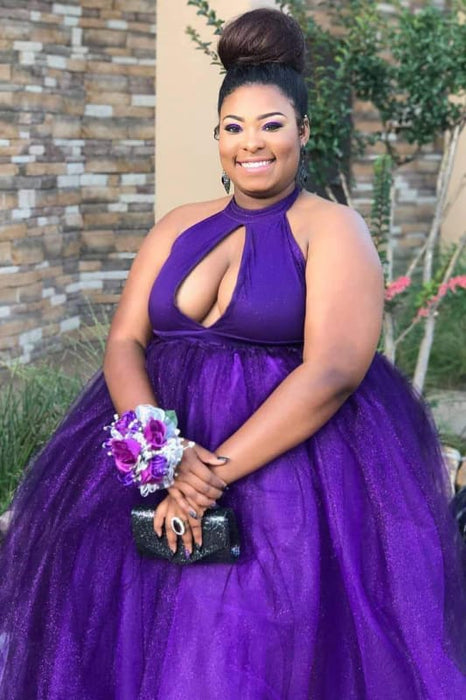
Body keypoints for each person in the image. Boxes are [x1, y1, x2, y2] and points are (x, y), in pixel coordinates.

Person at [1, 8, 466, 699]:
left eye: (272, 125)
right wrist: (161, 454)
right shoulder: (177, 225)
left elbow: (333, 372)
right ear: (218, 136)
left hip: (288, 476)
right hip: (155, 466)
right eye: (233, 127)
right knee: (117, 638)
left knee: (244, 645)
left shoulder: (333, 229)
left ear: (304, 132)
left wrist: (205, 477)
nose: (252, 143)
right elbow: (125, 341)